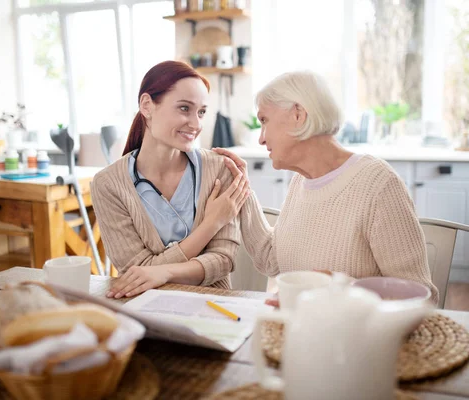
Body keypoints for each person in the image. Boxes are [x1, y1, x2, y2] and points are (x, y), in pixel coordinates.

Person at [215, 70, 439, 304]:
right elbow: (274, 260)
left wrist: (340, 288)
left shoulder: (378, 185)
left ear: (298, 115)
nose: (261, 138)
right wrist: (242, 190)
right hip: (308, 330)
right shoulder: (301, 181)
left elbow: (423, 298)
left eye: (264, 121)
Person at [92, 61, 249, 299]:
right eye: (184, 108)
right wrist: (211, 224)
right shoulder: (108, 184)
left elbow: (223, 260)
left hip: (212, 308)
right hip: (145, 309)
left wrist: (162, 272)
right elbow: (135, 271)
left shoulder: (219, 168)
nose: (196, 124)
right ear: (147, 105)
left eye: (201, 112)